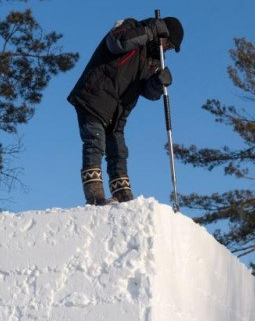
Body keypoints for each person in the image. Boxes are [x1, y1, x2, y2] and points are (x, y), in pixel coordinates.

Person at [67, 15, 184, 205]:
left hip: (118, 111)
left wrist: (158, 82)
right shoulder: (131, 27)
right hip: (95, 97)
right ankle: (95, 196)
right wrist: (150, 31)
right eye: (168, 43)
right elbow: (117, 43)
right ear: (162, 32)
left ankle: (123, 195)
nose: (167, 49)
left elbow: (147, 91)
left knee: (119, 152)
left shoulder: (154, 59)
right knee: (95, 142)